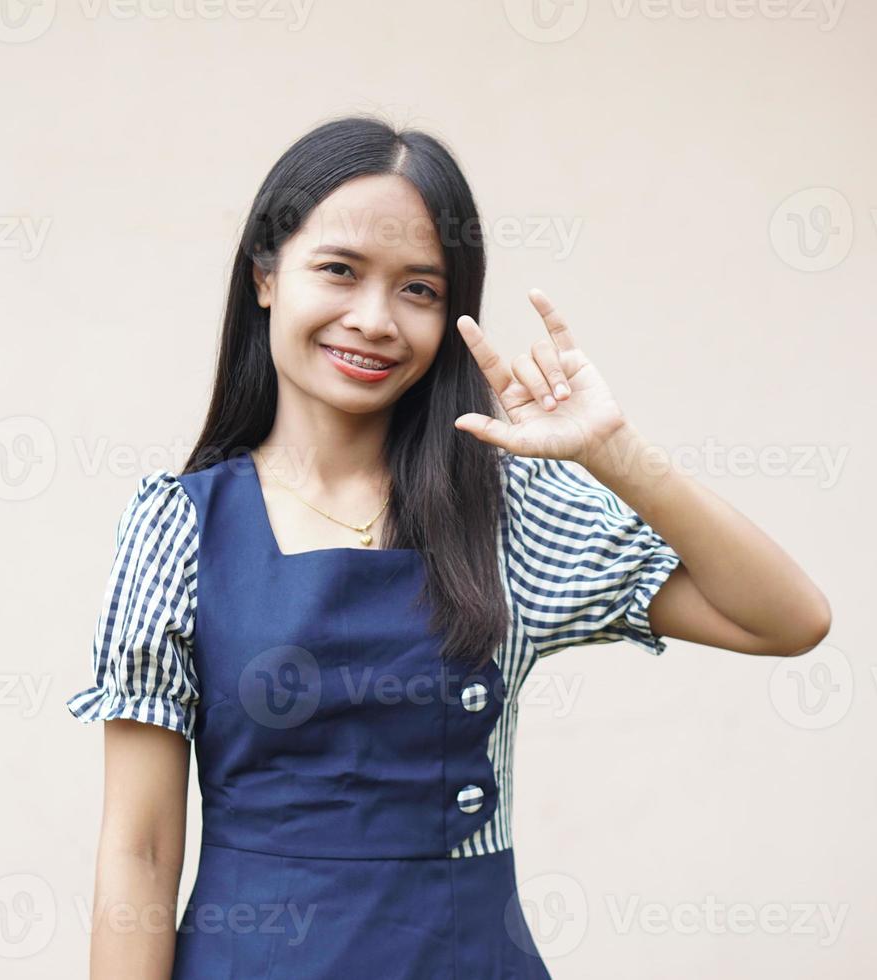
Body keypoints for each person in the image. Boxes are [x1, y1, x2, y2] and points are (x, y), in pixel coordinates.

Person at [66, 114, 832, 979]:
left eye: (418, 290)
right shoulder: (178, 528)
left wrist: (617, 457)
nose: (374, 319)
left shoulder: (505, 510)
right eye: (339, 271)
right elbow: (140, 848)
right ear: (266, 277)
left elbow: (787, 619)